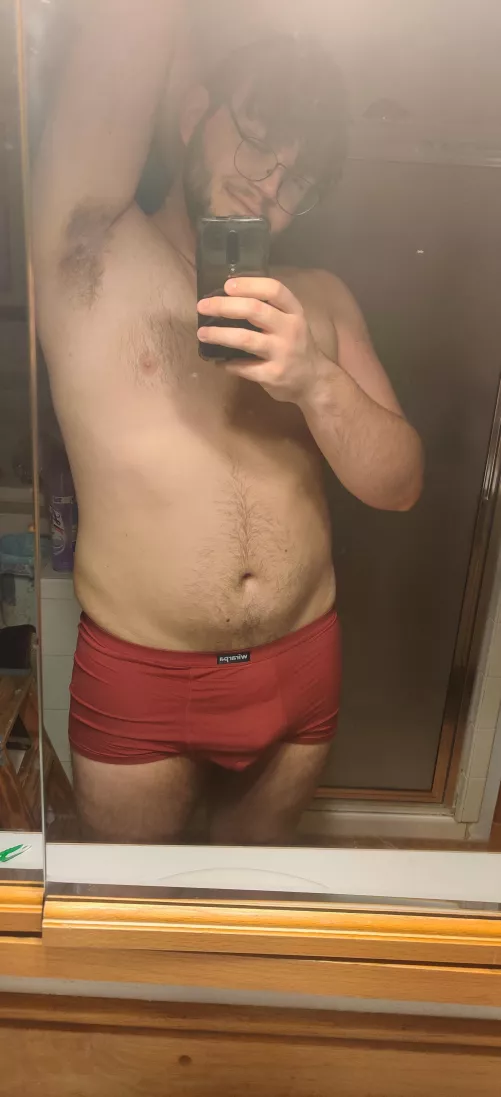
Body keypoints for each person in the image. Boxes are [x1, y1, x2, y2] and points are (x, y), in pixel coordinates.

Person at [32, 1, 423, 845]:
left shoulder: (317, 298)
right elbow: (116, 45)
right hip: (142, 676)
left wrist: (314, 380)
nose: (268, 182)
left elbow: (398, 485)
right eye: (256, 137)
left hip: (299, 664)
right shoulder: (89, 252)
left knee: (257, 894)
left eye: (296, 177)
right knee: (140, 910)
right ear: (192, 114)